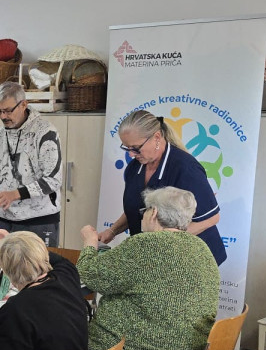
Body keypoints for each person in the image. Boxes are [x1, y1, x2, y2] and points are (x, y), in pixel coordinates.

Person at [74, 187, 219, 350]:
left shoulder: (144, 245)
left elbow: (90, 275)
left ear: (152, 214)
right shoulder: (201, 248)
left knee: (76, 344)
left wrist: (89, 243)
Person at [97, 109, 226, 265]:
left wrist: (161, 243)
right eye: (127, 148)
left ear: (157, 137)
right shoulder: (134, 168)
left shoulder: (186, 169)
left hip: (190, 260)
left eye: (136, 148)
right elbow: (136, 210)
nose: (131, 154)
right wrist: (112, 231)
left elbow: (212, 218)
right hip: (153, 257)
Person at [0, 81, 63, 246]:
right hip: (5, 220)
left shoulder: (45, 132)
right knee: (4, 270)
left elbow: (53, 180)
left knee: (38, 271)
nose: (3, 117)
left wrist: (13, 194)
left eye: (7, 111)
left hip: (40, 222)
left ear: (23, 104)